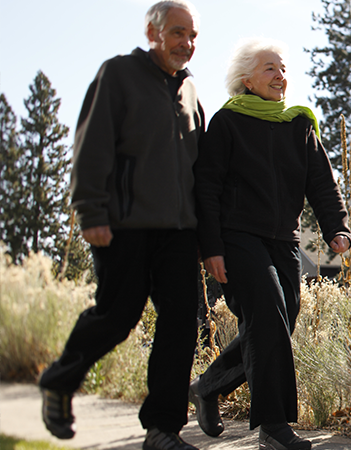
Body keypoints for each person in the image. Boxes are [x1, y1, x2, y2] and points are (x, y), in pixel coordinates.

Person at [37, 2, 204, 449]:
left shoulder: (190, 90)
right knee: (118, 314)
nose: (185, 43)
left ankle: (162, 430)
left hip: (180, 231)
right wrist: (91, 213)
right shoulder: (118, 75)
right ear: (152, 33)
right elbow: (90, 146)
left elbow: (198, 168)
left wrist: (208, 235)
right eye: (176, 32)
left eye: (192, 36)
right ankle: (60, 379)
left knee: (180, 324)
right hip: (125, 225)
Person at [188, 38, 351, 450]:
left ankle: (208, 386)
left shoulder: (299, 124)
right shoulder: (227, 124)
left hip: (285, 241)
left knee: (278, 320)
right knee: (267, 311)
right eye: (269, 69)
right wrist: (211, 247)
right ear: (246, 80)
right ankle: (274, 428)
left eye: (282, 69)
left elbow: (322, 183)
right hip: (237, 237)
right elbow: (206, 187)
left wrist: (337, 227)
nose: (280, 76)